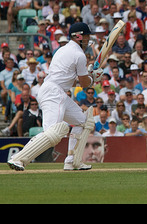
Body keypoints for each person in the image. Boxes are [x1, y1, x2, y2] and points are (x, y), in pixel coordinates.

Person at [7, 22, 104, 171]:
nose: (87, 39)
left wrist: (90, 75)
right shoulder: (79, 54)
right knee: (54, 132)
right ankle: (18, 158)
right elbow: (85, 84)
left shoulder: (62, 50)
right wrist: (93, 78)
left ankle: (72, 161)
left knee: (84, 121)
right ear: (78, 36)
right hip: (54, 93)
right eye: (86, 36)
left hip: (55, 90)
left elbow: (68, 81)